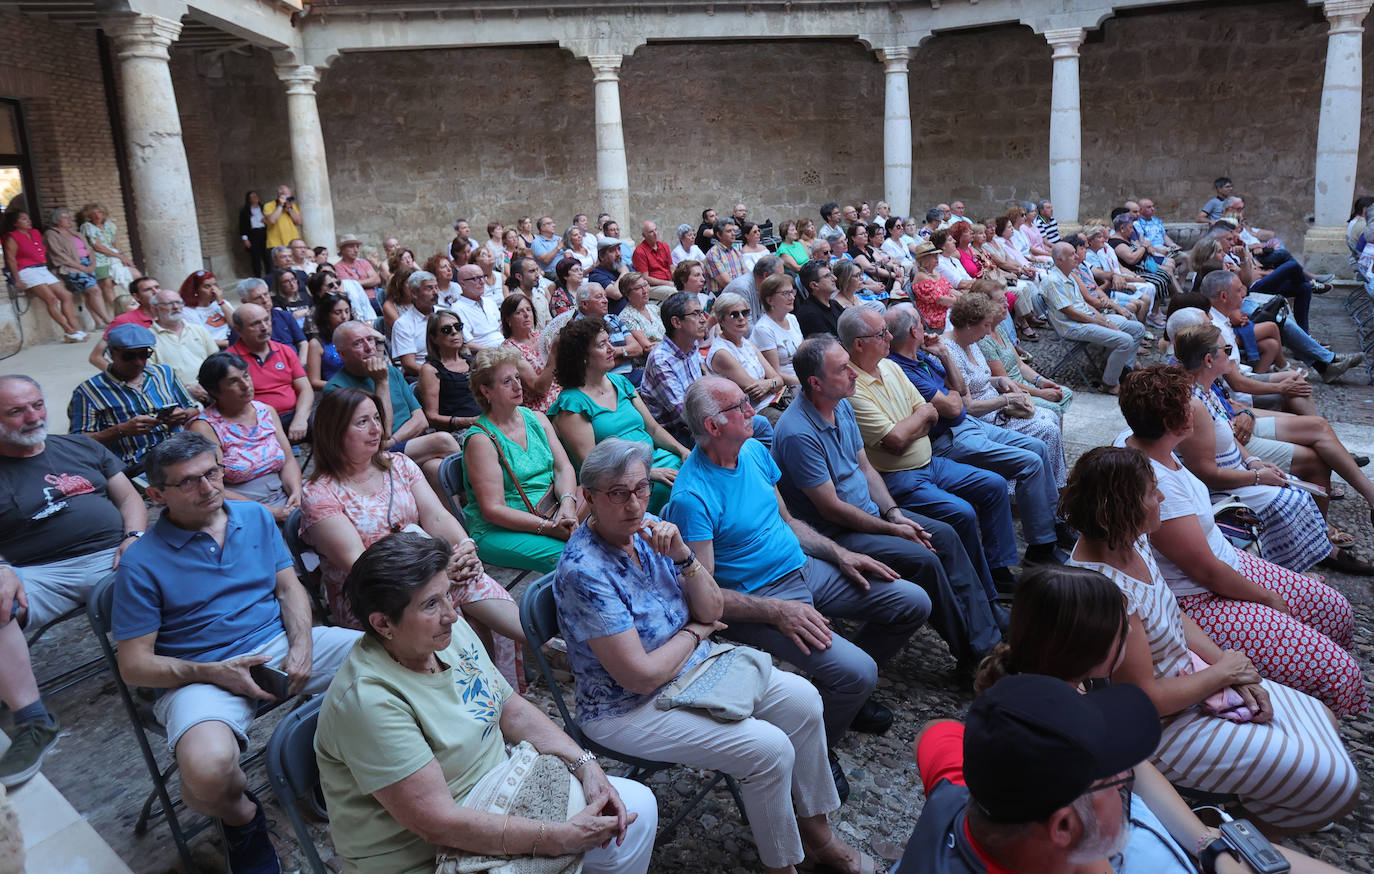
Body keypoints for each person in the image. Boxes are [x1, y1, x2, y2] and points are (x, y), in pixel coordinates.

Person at [555, 439, 870, 874]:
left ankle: (817, 835)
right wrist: (695, 632)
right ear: (588, 497)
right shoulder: (583, 572)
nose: (634, 503)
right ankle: (782, 867)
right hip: (624, 708)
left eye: (642, 488)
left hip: (693, 668)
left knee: (803, 700)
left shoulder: (649, 530)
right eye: (617, 493)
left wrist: (684, 556)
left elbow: (713, 610)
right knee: (769, 749)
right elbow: (641, 676)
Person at [315, 533, 657, 874]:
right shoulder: (369, 701)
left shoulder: (443, 634)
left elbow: (513, 710)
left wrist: (587, 767)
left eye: (448, 594)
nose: (451, 613)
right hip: (424, 856)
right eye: (431, 604)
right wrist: (556, 838)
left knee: (636, 808)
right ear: (382, 623)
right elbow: (438, 823)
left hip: (503, 791)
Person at [1061, 447, 1360, 832]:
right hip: (1162, 727)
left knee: (1326, 721)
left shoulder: (1129, 539)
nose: (1162, 499)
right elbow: (1143, 699)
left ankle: (1251, 811)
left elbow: (1173, 612)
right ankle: (1222, 838)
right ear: (1124, 505)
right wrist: (1222, 674)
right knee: (1337, 783)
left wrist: (1228, 667)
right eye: (1153, 492)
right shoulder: (1107, 591)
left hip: (1195, 680)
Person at [664, 377, 930, 792]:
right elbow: (705, 599)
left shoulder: (752, 451)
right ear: (713, 426)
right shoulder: (691, 496)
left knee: (912, 602)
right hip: (760, 598)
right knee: (859, 671)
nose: (753, 410)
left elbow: (787, 522)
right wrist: (776, 611)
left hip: (804, 567)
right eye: (740, 406)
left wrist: (840, 554)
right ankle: (816, 749)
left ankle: (837, 697)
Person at [112, 431, 360, 873]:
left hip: (277, 643)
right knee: (208, 773)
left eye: (213, 473)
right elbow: (133, 665)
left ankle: (329, 761)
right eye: (189, 482)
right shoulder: (140, 562)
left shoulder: (254, 517)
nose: (208, 488)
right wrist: (211, 672)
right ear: (155, 495)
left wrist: (302, 643)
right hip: (200, 671)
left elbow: (289, 588)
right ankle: (242, 816)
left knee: (389, 658)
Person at [1117, 365, 1365, 716]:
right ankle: (1304, 718)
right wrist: (1267, 598)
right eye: (1189, 406)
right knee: (1339, 673)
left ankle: (1296, 686)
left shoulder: (1155, 446)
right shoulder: (1153, 481)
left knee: (1335, 609)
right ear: (1176, 423)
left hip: (1225, 564)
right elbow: (1205, 572)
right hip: (1198, 599)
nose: (1198, 409)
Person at [774, 338, 1002, 671]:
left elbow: (865, 469)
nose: (853, 373)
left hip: (870, 514)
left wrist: (894, 513)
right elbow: (830, 510)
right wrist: (893, 527)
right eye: (842, 369)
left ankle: (989, 641)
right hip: (836, 532)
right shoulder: (797, 433)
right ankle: (975, 658)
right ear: (815, 383)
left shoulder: (842, 405)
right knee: (925, 559)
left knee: (947, 535)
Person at [298, 389, 525, 683]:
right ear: (334, 431)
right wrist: (441, 570)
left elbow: (437, 516)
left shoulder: (399, 465)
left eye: (377, 418)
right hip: (379, 601)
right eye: (362, 422)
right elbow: (360, 565)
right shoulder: (319, 494)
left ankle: (520, 657)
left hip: (432, 573)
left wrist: (465, 548)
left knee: (469, 577)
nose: (375, 428)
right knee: (457, 600)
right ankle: (488, 680)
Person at [0, 375, 147, 787]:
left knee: (169, 569)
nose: (32, 417)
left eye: (37, 404)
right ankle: (33, 720)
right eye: (16, 411)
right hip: (40, 573)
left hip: (115, 554)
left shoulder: (81, 446)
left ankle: (162, 672)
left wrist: (134, 536)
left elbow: (129, 498)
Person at [840, 306, 1032, 599]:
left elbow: (930, 412)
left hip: (930, 461)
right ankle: (982, 594)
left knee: (994, 485)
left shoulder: (891, 366)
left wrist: (914, 424)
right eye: (882, 333)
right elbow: (897, 440)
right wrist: (918, 422)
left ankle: (998, 569)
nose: (890, 337)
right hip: (898, 476)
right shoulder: (853, 387)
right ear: (859, 343)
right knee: (962, 512)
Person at [885, 302, 1066, 560]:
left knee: (1037, 446)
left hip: (967, 424)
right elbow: (953, 405)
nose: (926, 326)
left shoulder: (924, 356)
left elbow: (961, 390)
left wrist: (944, 355)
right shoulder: (903, 368)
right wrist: (955, 395)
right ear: (915, 331)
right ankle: (1042, 545)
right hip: (949, 438)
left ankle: (1052, 525)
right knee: (1030, 461)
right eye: (920, 322)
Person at [1170, 320, 1357, 570]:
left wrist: (1253, 461)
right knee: (1292, 501)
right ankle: (1282, 571)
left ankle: (1299, 562)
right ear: (1208, 360)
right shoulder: (1194, 404)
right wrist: (1257, 477)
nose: (1231, 356)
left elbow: (1229, 436)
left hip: (1238, 470)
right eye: (1226, 351)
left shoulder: (1206, 390)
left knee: (1300, 493)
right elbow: (1204, 473)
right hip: (1219, 489)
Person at [550, 318, 689, 512]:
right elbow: (590, 463)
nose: (611, 348)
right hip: (618, 478)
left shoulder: (619, 382)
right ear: (582, 356)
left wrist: (683, 451)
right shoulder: (572, 403)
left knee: (698, 470)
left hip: (655, 460)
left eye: (609, 341)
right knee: (678, 490)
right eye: (601, 345)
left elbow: (654, 429)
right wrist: (648, 473)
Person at [462, 347, 579, 572]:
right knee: (572, 557)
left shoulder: (536, 419)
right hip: (499, 529)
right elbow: (493, 510)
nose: (518, 385)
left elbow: (563, 468)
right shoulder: (482, 440)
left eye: (517, 377)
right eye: (507, 381)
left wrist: (567, 504)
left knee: (607, 528)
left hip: (551, 508)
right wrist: (549, 527)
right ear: (486, 391)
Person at [942, 294, 1068, 486]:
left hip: (995, 406)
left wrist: (999, 380)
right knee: (1048, 429)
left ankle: (1048, 482)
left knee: (1050, 416)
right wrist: (1007, 399)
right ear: (969, 324)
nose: (988, 330)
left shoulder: (971, 341)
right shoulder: (950, 352)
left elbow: (981, 379)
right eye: (985, 325)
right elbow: (968, 406)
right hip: (980, 418)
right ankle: (1047, 485)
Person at [324, 320, 459, 485]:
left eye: (370, 339)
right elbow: (381, 433)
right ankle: (478, 498)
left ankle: (458, 509)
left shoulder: (392, 372)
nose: (369, 347)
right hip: (374, 456)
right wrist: (381, 383)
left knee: (435, 468)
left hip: (403, 444)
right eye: (358, 343)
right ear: (342, 354)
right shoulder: (336, 388)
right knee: (443, 441)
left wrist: (394, 440)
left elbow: (421, 419)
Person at [69, 323, 198, 472]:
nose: (138, 362)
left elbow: (193, 407)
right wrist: (121, 430)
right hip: (137, 463)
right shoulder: (88, 391)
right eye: (128, 356)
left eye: (144, 355)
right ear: (111, 353)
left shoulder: (164, 373)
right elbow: (78, 442)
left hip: (181, 450)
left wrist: (183, 415)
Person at [191, 352, 301, 520]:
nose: (246, 385)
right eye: (234, 381)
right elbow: (212, 486)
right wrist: (270, 512)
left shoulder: (266, 411)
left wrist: (296, 492)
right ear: (214, 391)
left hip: (283, 493)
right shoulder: (205, 427)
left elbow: (288, 459)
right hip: (240, 506)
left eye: (246, 376)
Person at [1042, 242, 1142, 394]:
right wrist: (1102, 323)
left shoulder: (1070, 276)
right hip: (1073, 326)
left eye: (1075, 252)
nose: (1076, 256)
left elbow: (1083, 305)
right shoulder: (1054, 281)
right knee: (1125, 340)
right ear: (1059, 260)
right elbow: (1072, 313)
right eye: (1071, 254)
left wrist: (1103, 319)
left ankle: (1122, 370)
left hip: (1086, 319)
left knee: (1137, 328)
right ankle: (1110, 383)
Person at [971, 282, 1075, 417]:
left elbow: (1019, 364)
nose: (1007, 305)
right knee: (1052, 408)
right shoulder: (984, 340)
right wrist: (1041, 393)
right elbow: (1005, 382)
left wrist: (1041, 381)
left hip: (1023, 384)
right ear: (985, 306)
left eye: (1006, 300)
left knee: (1065, 393)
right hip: (1010, 392)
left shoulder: (999, 328)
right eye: (1001, 301)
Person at [226, 304, 313, 443]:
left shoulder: (285, 350)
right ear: (238, 330)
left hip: (293, 415)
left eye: (266, 320)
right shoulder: (229, 360)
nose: (264, 327)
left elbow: (305, 389)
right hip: (256, 424)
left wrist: (300, 418)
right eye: (255, 324)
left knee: (333, 429)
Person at [706, 292, 789, 423]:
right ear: (721, 320)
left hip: (776, 401)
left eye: (745, 313)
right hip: (754, 413)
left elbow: (779, 380)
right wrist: (773, 384)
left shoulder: (748, 343)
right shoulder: (721, 353)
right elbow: (756, 393)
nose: (741, 318)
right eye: (734, 314)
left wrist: (769, 384)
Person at [1, 210, 84, 341]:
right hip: (26, 270)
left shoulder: (35, 233)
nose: (28, 221)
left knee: (66, 295)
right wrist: (17, 280)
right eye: (23, 219)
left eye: (28, 218)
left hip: (41, 268)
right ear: (15, 223)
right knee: (50, 299)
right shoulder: (12, 237)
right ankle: (68, 330)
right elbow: (11, 259)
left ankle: (75, 327)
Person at [416, 310, 481, 435]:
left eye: (458, 327)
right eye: (446, 330)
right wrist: (469, 421)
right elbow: (431, 417)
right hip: (460, 431)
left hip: (486, 422)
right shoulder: (430, 370)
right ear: (434, 338)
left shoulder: (472, 361)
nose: (454, 332)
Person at [149, 288, 218, 404]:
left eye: (179, 302)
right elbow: (150, 377)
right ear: (154, 309)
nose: (176, 307)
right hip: (175, 398)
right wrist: (186, 389)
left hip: (210, 391)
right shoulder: (148, 338)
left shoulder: (199, 330)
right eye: (169, 304)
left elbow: (216, 361)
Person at [44, 207, 111, 326]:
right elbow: (59, 255)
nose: (69, 219)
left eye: (69, 217)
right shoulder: (51, 234)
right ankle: (107, 320)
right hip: (70, 267)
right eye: (65, 217)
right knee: (94, 290)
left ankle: (98, 322)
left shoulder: (75, 233)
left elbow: (89, 249)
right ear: (57, 220)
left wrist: (92, 264)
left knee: (89, 293)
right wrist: (82, 268)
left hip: (87, 264)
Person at [499, 292, 560, 413]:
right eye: (519, 312)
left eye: (529, 310)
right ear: (508, 320)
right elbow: (539, 388)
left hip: (562, 395)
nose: (526, 315)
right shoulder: (509, 349)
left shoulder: (543, 337)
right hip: (541, 408)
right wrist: (554, 354)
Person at [87, 275, 159, 369]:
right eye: (148, 290)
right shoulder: (124, 320)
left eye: (157, 287)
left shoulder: (176, 315)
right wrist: (121, 377)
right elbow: (96, 357)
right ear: (136, 297)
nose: (156, 292)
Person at [235, 278, 307, 363]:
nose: (265, 300)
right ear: (245, 302)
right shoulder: (243, 327)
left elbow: (303, 343)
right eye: (258, 298)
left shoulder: (285, 316)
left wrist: (301, 366)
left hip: (295, 364)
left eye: (266, 294)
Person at [753, 274, 804, 382]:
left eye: (792, 292)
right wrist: (806, 383)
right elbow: (775, 374)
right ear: (770, 300)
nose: (792, 297)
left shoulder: (792, 319)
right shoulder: (763, 329)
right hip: (790, 386)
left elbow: (804, 354)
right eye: (786, 293)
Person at [390, 270, 440, 377]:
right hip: (422, 375)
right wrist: (439, 374)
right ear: (414, 293)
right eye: (429, 288)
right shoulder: (403, 324)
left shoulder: (446, 315)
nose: (435, 292)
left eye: (436, 287)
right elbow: (409, 364)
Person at [722, 254, 786, 328]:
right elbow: (745, 327)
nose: (782, 280)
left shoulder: (765, 286)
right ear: (766, 275)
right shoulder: (742, 288)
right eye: (779, 276)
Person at [305, 289, 351, 390]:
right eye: (337, 312)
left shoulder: (356, 336)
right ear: (326, 316)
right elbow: (314, 381)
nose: (344, 316)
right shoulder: (317, 343)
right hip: (336, 393)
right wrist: (346, 388)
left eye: (347, 311)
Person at [451, 263, 504, 348]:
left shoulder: (489, 302)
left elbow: (502, 327)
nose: (482, 282)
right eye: (476, 278)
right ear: (463, 284)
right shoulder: (457, 309)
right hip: (485, 353)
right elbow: (468, 344)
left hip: (504, 345)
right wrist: (494, 352)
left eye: (483, 277)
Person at [616, 272, 664, 365]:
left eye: (645, 285)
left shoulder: (654, 308)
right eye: (638, 288)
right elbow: (647, 348)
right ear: (627, 294)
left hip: (668, 354)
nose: (645, 291)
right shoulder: (626, 316)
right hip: (650, 363)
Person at [178, 269, 234, 349]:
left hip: (231, 341)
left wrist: (221, 302)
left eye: (215, 285)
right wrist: (229, 344)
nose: (214, 290)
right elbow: (200, 338)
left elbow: (236, 324)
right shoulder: (188, 311)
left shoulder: (222, 303)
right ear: (195, 291)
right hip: (213, 348)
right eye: (207, 286)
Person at [795, 260, 846, 337]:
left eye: (832, 274)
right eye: (828, 276)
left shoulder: (834, 304)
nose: (835, 278)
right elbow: (829, 346)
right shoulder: (809, 315)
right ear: (814, 285)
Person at [705, 219, 746, 293]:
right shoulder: (713, 254)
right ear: (719, 235)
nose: (733, 233)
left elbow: (746, 275)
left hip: (739, 293)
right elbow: (726, 283)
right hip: (722, 297)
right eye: (729, 231)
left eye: (734, 230)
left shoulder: (736, 251)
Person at [632, 220, 674, 288]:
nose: (655, 233)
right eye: (651, 232)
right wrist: (667, 283)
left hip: (669, 282)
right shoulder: (640, 252)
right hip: (652, 286)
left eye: (656, 230)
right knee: (673, 292)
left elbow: (671, 267)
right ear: (644, 235)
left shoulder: (664, 246)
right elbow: (644, 278)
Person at [237, 192, 269, 276]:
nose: (255, 198)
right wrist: (245, 239)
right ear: (249, 199)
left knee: (267, 256)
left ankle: (269, 275)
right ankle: (258, 276)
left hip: (264, 232)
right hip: (253, 234)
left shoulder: (263, 208)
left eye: (256, 195)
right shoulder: (245, 211)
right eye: (252, 197)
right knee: (255, 257)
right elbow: (242, 226)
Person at [263, 184, 302, 250]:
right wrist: (280, 205)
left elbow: (299, 222)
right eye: (286, 196)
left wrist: (290, 208)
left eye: (290, 196)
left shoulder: (293, 206)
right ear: (279, 196)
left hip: (293, 243)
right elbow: (272, 220)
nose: (288, 198)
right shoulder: (269, 206)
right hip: (276, 243)